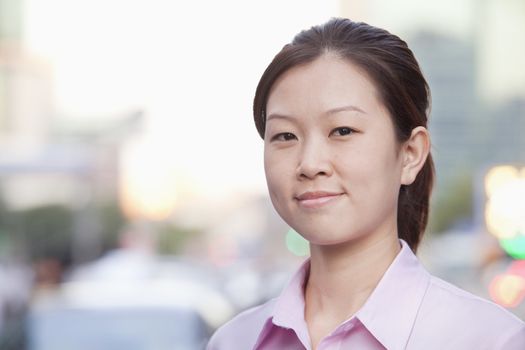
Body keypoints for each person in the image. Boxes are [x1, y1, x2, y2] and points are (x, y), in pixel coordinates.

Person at [207, 18, 525, 349]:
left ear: (410, 154)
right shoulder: (234, 341)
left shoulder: (491, 340)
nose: (311, 164)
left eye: (342, 130)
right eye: (285, 135)